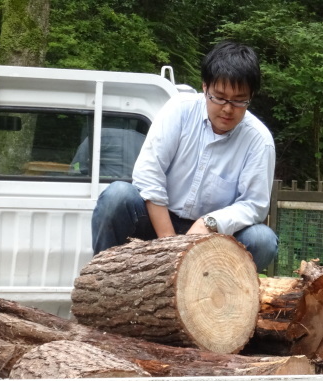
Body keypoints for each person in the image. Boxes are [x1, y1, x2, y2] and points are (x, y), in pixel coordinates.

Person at [91, 40, 278, 271]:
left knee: (263, 239)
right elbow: (149, 175)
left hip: (214, 236)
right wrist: (170, 245)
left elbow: (254, 205)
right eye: (219, 97)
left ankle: (214, 301)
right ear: (205, 87)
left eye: (239, 100)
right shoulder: (178, 109)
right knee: (117, 196)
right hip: (157, 218)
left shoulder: (259, 141)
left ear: (251, 97)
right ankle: (103, 281)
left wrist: (209, 223)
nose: (228, 108)